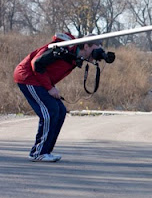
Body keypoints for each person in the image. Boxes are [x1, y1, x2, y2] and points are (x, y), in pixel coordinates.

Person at [13, 33, 102, 162]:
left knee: (60, 111)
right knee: (50, 111)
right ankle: (38, 152)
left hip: (41, 79)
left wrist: (97, 57)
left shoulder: (76, 54)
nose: (96, 53)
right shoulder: (64, 48)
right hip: (28, 77)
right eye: (95, 49)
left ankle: (46, 151)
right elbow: (37, 64)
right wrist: (49, 88)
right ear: (86, 46)